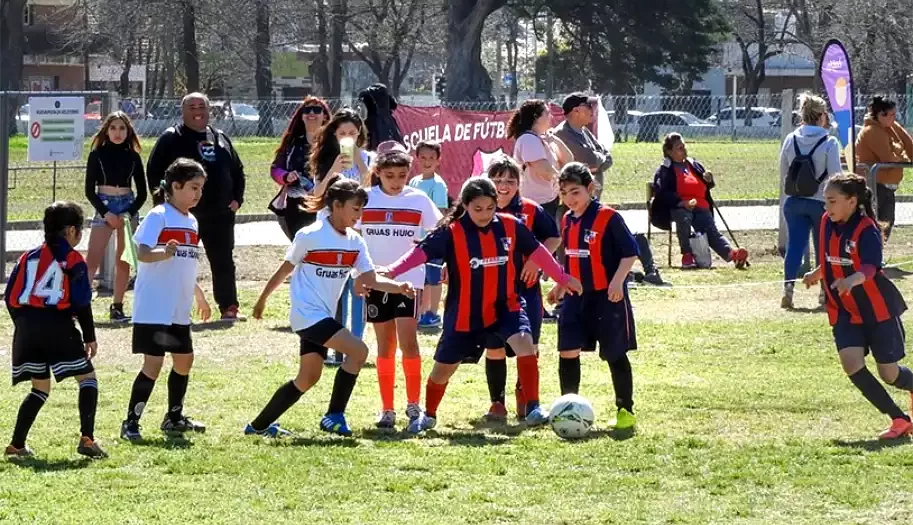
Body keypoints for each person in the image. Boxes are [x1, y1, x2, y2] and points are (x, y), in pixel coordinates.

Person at [383, 178, 583, 434]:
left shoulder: (511, 226)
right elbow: (420, 253)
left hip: (506, 306)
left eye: (490, 208)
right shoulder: (452, 231)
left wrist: (562, 278)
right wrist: (392, 271)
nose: (485, 214)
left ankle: (533, 407)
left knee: (524, 342)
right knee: (442, 370)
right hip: (466, 315)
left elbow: (538, 251)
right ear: (465, 205)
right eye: (478, 209)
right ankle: (429, 414)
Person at [246, 176, 414, 438]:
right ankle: (334, 416)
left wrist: (398, 287)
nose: (359, 215)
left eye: (361, 209)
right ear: (336, 205)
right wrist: (262, 299)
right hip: (307, 315)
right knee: (358, 351)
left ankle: (257, 426)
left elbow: (369, 279)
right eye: (355, 208)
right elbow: (285, 269)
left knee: (307, 377)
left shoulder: (355, 242)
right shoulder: (310, 235)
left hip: (322, 315)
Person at [802, 174, 913, 440]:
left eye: (832, 201)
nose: (826, 207)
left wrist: (853, 279)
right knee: (851, 364)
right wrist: (818, 273)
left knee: (889, 373)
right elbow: (831, 257)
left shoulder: (867, 229)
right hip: (844, 311)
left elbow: (871, 266)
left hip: (878, 311)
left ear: (851, 202)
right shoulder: (827, 222)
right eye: (825, 201)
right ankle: (899, 419)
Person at [4, 201, 107, 458]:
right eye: (80, 229)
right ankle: (87, 439)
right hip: (56, 324)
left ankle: (16, 446)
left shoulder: (27, 256)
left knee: (40, 387)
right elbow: (82, 303)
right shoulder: (72, 259)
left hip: (26, 326)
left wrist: (25, 326)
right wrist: (89, 337)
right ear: (71, 230)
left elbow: (9, 297)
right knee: (88, 379)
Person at [121, 159, 212, 442]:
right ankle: (131, 423)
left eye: (201, 188)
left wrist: (199, 294)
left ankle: (173, 418)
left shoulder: (192, 221)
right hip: (155, 308)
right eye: (193, 187)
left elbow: (186, 262)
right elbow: (142, 254)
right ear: (175, 186)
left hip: (178, 308)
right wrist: (164, 252)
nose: (198, 194)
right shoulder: (158, 215)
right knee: (154, 365)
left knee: (184, 361)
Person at [548, 163, 640, 430]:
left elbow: (630, 253)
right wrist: (561, 285)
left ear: (591, 188)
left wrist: (617, 282)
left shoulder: (608, 217)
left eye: (575, 192)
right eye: (564, 193)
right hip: (576, 297)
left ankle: (625, 410)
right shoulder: (567, 219)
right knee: (567, 350)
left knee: (614, 353)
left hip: (607, 298)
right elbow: (570, 256)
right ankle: (567, 408)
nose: (569, 199)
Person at [358, 142, 442, 428]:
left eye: (401, 176)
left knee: (409, 342)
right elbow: (352, 237)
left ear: (409, 174)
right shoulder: (365, 199)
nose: (396, 182)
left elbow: (439, 230)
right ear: (378, 172)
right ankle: (387, 408)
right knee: (384, 346)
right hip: (376, 283)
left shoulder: (418, 199)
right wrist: (359, 274)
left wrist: (433, 256)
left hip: (408, 283)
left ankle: (414, 404)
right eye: (389, 175)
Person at [146, 92, 246, 321]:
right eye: (191, 106)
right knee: (177, 260)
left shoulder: (219, 137)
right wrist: (166, 203)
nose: (197, 110)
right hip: (184, 214)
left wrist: (237, 199)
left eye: (202, 106)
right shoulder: (172, 137)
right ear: (183, 111)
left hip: (220, 214)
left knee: (223, 261)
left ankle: (229, 308)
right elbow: (153, 172)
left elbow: (237, 170)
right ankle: (174, 308)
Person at [481, 156, 560, 421]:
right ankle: (497, 403)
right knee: (495, 347)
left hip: (525, 291)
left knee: (530, 345)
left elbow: (554, 236)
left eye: (510, 181)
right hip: (491, 291)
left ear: (519, 183)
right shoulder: (478, 208)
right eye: (498, 179)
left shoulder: (529, 209)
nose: (503, 186)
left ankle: (526, 399)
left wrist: (537, 262)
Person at [310, 108, 372, 363]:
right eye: (342, 133)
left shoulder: (366, 157)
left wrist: (359, 160)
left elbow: (369, 188)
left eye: (353, 133)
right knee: (334, 290)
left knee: (358, 287)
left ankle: (354, 344)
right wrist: (334, 168)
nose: (347, 137)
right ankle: (333, 346)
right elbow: (316, 194)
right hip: (330, 229)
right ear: (333, 134)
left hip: (356, 230)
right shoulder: (325, 158)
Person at [778, 93, 841, 309]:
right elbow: (835, 177)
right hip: (820, 203)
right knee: (823, 246)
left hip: (794, 201)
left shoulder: (790, 139)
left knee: (795, 245)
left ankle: (788, 288)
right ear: (822, 116)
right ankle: (824, 292)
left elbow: (783, 171)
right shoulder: (829, 142)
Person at [83, 111, 147, 322]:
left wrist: (127, 213)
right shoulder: (96, 155)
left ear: (128, 132)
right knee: (92, 257)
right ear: (106, 130)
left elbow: (142, 193)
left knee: (123, 259)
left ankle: (117, 306)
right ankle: (79, 305)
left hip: (127, 206)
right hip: (105, 204)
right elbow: (89, 191)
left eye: (122, 128)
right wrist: (106, 213)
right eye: (113, 128)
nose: (117, 133)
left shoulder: (134, 157)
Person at [653, 133, 749, 269]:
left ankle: (732, 254)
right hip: (678, 206)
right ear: (669, 152)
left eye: (684, 146)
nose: (684, 150)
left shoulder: (694, 164)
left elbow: (707, 185)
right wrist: (682, 203)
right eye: (680, 148)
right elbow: (662, 193)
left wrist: (709, 179)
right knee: (684, 216)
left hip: (700, 205)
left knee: (710, 229)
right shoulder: (665, 169)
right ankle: (687, 255)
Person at [269, 97, 332, 240]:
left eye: (317, 110)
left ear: (325, 116)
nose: (311, 113)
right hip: (295, 205)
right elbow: (275, 168)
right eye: (306, 110)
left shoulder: (332, 144)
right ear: (301, 116)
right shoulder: (292, 143)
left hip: (325, 204)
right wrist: (285, 176)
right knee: (300, 248)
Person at [855, 96, 913, 241]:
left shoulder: (891, 126)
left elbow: (908, 143)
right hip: (875, 185)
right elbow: (888, 158)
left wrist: (904, 154)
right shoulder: (872, 131)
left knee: (887, 222)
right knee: (875, 222)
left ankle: (877, 255)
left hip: (887, 186)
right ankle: (871, 256)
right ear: (881, 115)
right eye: (891, 115)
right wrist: (903, 157)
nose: (895, 118)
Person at [508, 99, 573, 220]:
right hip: (535, 203)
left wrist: (554, 139)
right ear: (536, 117)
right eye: (547, 113)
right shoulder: (528, 139)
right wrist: (567, 184)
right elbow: (545, 172)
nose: (551, 116)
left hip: (548, 201)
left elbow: (569, 159)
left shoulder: (542, 139)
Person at [409, 140, 450, 329]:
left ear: (439, 160)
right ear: (417, 158)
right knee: (422, 277)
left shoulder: (438, 185)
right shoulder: (414, 181)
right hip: (416, 238)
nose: (427, 161)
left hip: (432, 238)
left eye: (431, 158)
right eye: (423, 157)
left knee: (434, 277)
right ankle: (423, 312)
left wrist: (434, 235)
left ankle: (433, 313)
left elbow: (441, 213)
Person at [552, 93, 612, 191]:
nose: (592, 110)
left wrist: (599, 160)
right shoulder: (562, 134)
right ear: (576, 111)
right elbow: (590, 161)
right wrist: (600, 160)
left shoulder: (584, 130)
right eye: (588, 106)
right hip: (573, 196)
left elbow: (607, 157)